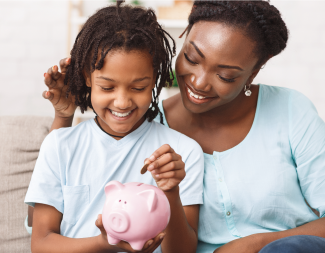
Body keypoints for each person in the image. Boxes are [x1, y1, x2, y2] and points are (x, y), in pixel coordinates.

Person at [37, 0, 325, 252]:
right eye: (191, 57)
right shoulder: (145, 126)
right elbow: (53, 208)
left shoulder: (290, 111)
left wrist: (255, 244)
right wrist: (64, 117)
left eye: (225, 75)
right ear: (184, 35)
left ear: (255, 71)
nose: (198, 82)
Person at [25, 1, 204, 253]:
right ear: (87, 77)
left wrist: (171, 192)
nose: (122, 102)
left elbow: (183, 252)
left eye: (139, 87)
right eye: (107, 87)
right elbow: (41, 244)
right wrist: (104, 243)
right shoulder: (59, 145)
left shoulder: (182, 153)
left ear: (155, 79)